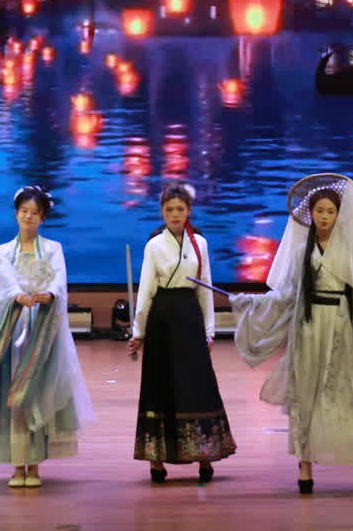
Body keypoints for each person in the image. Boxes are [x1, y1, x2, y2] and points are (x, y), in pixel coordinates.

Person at [231, 173, 353, 495]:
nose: (325, 216)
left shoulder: (348, 251)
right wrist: (249, 301)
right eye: (319, 211)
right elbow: (286, 296)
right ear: (311, 213)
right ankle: (305, 465)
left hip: (341, 329)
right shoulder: (301, 252)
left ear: (338, 215)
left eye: (330, 211)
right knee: (307, 396)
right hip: (308, 329)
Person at [0, 186, 95, 487]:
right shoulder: (3, 251)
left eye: (34, 213)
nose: (28, 217)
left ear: (43, 217)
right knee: (13, 395)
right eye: (24, 212)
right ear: (16, 214)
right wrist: (17, 295)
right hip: (13, 328)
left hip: (42, 330)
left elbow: (59, 279)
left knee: (36, 392)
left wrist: (51, 293)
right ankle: (16, 466)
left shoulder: (53, 249)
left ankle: (33, 466)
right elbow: (6, 283)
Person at [129, 183, 237, 482]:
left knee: (196, 385)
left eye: (180, 209)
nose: (175, 214)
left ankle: (204, 455)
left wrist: (209, 331)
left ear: (189, 210)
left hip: (190, 318)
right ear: (162, 212)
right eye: (169, 209)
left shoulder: (200, 243)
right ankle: (156, 460)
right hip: (162, 318)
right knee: (160, 386)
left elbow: (205, 289)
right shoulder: (154, 246)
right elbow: (146, 291)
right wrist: (138, 332)